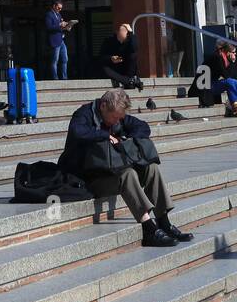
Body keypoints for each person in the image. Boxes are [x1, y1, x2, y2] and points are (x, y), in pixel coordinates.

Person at [57, 88, 191, 247]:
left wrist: (126, 139)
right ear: (103, 106)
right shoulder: (83, 115)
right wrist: (105, 136)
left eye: (119, 118)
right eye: (114, 117)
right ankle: (148, 229)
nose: (116, 122)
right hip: (89, 178)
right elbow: (78, 132)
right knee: (128, 174)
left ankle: (164, 222)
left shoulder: (117, 117)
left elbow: (143, 127)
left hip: (111, 169)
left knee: (151, 168)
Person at [189, 41, 237, 115]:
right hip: (204, 89)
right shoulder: (217, 58)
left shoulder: (221, 57)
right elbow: (227, 75)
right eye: (233, 52)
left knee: (233, 82)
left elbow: (229, 76)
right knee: (230, 82)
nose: (235, 54)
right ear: (227, 52)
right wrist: (232, 61)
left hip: (210, 85)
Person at [99, 23, 143, 91]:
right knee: (104, 68)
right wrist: (111, 59)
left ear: (127, 35)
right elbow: (101, 58)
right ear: (117, 34)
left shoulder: (130, 39)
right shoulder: (108, 40)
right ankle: (129, 81)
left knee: (133, 55)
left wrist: (131, 32)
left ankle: (128, 80)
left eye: (123, 40)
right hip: (114, 68)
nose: (121, 42)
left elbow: (135, 48)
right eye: (119, 39)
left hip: (126, 69)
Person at [44, 0, 72, 80]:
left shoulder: (58, 15)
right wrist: (60, 24)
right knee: (54, 60)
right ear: (54, 6)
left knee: (65, 59)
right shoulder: (49, 15)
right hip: (54, 40)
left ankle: (64, 77)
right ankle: (55, 78)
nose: (60, 10)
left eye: (61, 8)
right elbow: (49, 27)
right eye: (58, 8)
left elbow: (60, 27)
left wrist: (66, 26)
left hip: (61, 40)